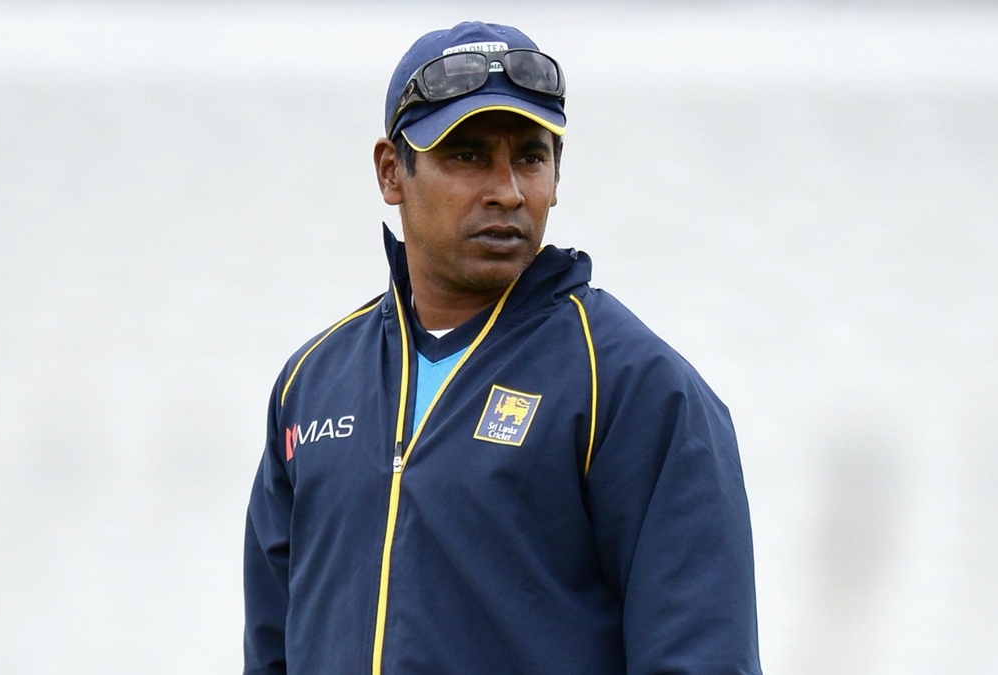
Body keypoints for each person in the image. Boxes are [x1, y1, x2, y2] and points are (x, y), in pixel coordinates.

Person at [243, 20, 762, 675]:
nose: (508, 191)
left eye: (531, 157)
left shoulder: (634, 385)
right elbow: (271, 650)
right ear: (391, 171)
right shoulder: (311, 384)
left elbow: (703, 657)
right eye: (468, 156)